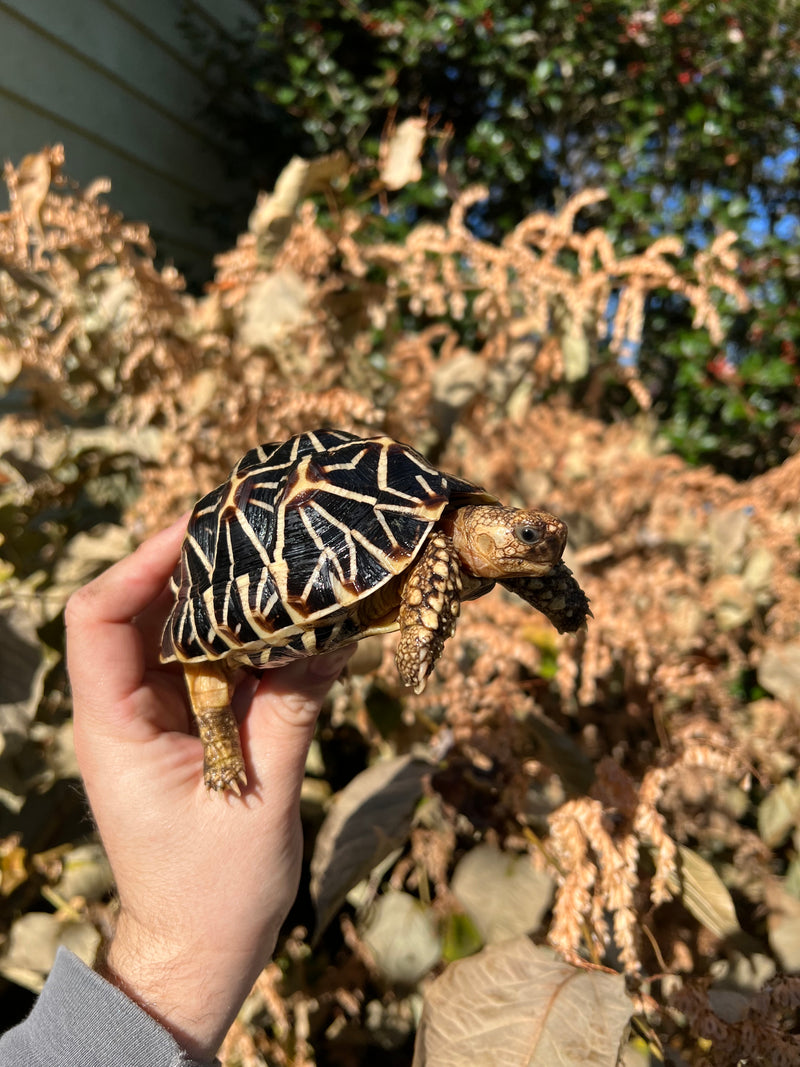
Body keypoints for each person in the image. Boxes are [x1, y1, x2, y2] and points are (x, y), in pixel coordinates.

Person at [0, 516, 354, 1066]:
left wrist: (175, 950)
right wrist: (180, 940)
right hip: (268, 594)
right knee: (212, 697)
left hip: (276, 581)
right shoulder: (195, 662)